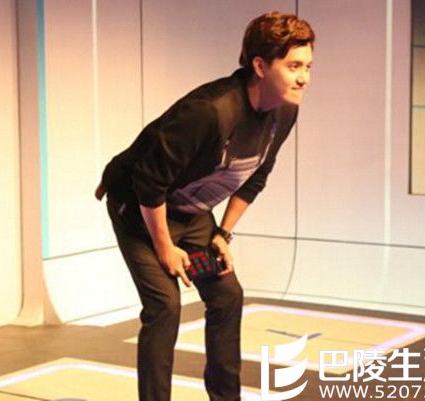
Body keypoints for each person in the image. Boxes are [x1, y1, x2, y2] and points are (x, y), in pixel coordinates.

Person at [94, 11, 315, 401]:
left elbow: (257, 176)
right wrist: (164, 247)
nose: (304, 78)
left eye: (308, 66)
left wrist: (222, 233)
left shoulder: (284, 111)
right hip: (140, 208)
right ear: (260, 66)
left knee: (227, 295)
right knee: (165, 306)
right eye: (293, 66)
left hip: (192, 213)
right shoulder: (211, 110)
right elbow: (149, 181)